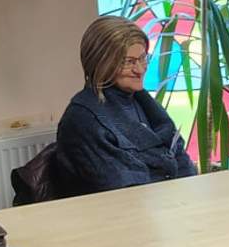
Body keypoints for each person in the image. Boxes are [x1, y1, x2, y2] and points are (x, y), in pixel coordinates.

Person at [55, 17, 197, 193]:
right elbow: (125, 189)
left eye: (143, 58)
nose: (140, 69)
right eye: (129, 62)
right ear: (102, 63)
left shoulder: (141, 100)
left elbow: (181, 159)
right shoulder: (83, 119)